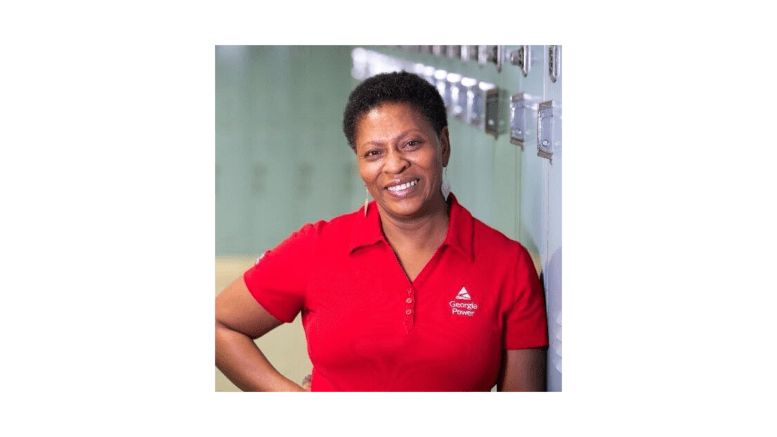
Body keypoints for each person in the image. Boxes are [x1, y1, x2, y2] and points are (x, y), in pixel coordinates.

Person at [215, 71, 548, 392]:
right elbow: (219, 325)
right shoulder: (317, 247)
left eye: (411, 144)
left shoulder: (507, 265)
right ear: (359, 165)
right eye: (374, 153)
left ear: (443, 145)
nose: (394, 165)